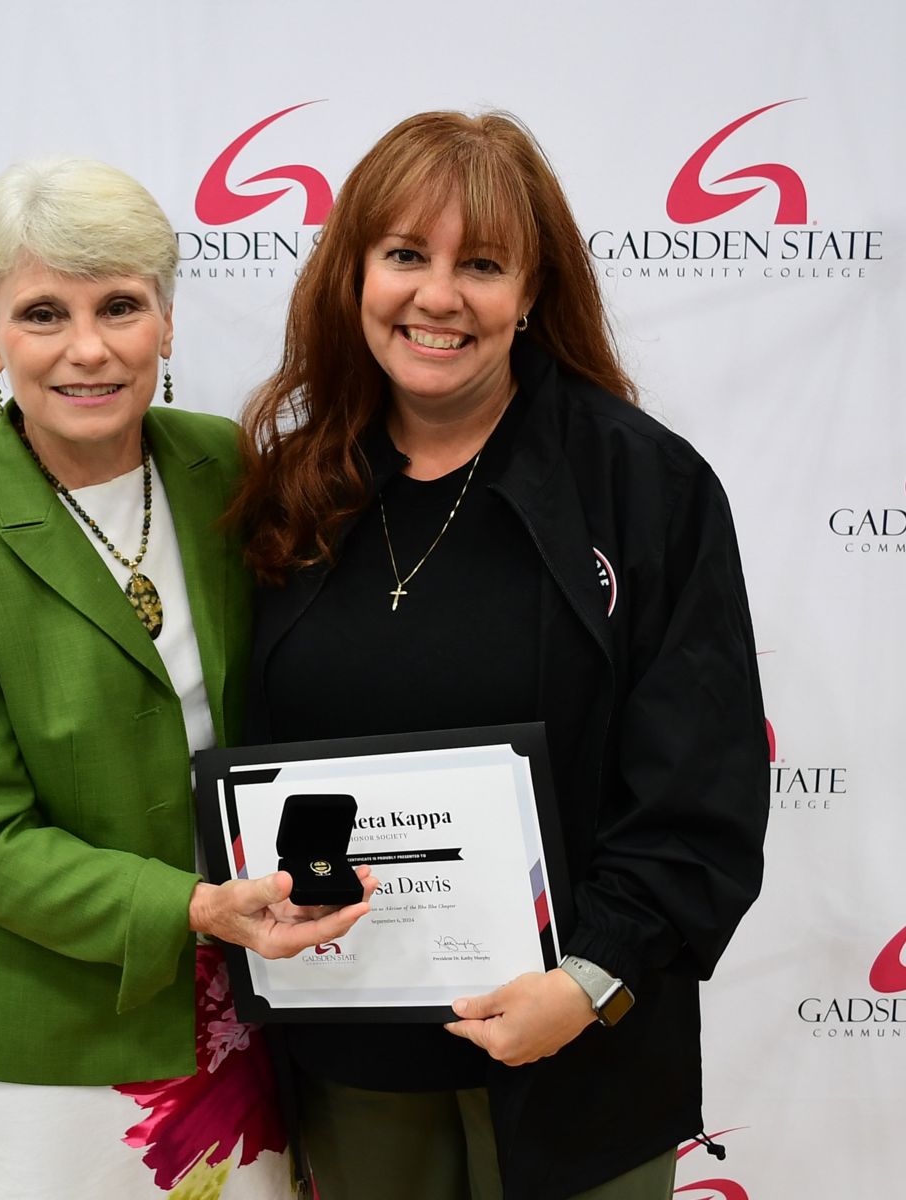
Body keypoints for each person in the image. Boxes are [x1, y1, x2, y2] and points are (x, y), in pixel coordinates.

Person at [232, 112, 769, 1200]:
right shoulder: (294, 489)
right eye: (404, 256)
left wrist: (587, 982)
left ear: (532, 292)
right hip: (356, 1055)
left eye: (480, 264)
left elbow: (701, 789)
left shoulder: (644, 490)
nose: (438, 296)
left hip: (580, 1051)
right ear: (354, 276)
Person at [0, 158, 374, 1200]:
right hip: (44, 1038)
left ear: (168, 324)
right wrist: (193, 907)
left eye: (120, 306)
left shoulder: (222, 466)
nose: (86, 348)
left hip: (243, 1003)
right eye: (43, 313)